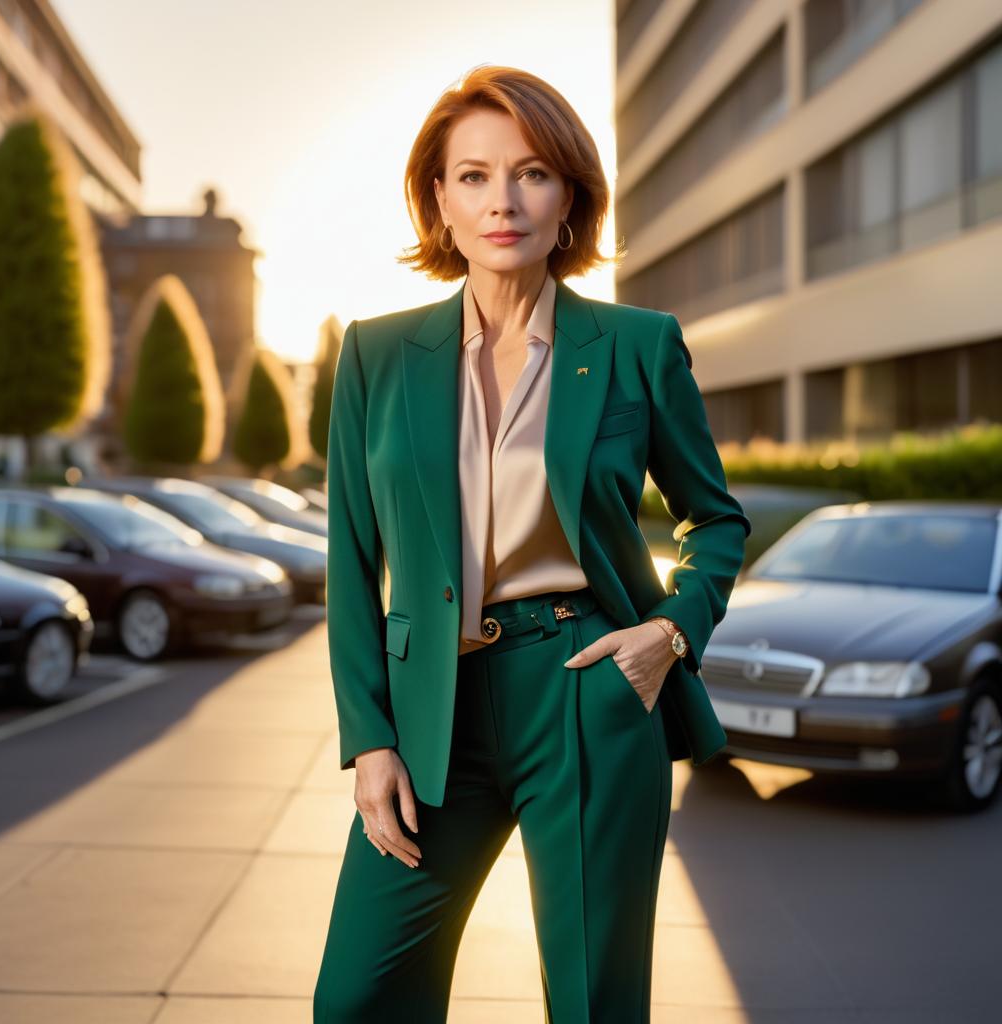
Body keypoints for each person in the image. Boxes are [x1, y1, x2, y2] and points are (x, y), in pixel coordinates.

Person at [313, 64, 752, 1023]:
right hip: (435, 708)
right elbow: (350, 558)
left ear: (570, 200)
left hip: (589, 686)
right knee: (357, 997)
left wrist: (667, 634)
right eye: (472, 176)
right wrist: (368, 738)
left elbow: (716, 521)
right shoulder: (377, 356)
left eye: (532, 173)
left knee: (593, 1002)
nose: (501, 200)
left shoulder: (637, 344)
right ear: (440, 200)